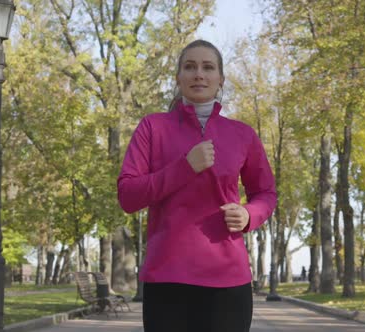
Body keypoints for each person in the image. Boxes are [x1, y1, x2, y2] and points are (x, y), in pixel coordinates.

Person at [117, 39, 277, 332]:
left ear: (220, 79)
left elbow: (265, 193)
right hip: (167, 277)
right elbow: (128, 196)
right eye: (190, 67)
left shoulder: (242, 134)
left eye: (208, 67)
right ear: (178, 78)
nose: (199, 74)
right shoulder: (152, 127)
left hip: (229, 279)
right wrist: (184, 167)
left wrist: (249, 215)